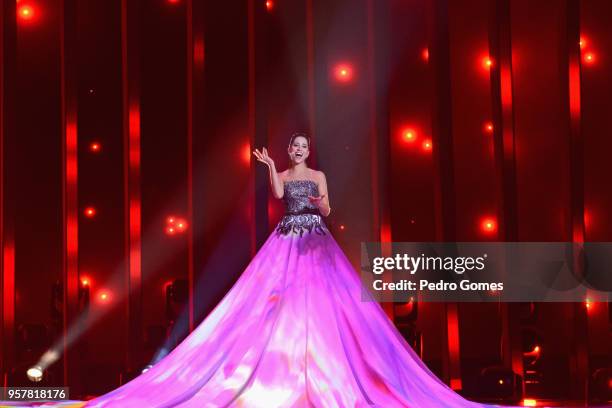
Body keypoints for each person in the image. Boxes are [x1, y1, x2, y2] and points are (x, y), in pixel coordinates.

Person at [52, 132, 492, 407]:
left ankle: (325, 373)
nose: (299, 151)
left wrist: (320, 203)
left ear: (309, 150)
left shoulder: (318, 175)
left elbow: (328, 205)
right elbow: (279, 192)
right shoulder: (282, 171)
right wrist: (267, 169)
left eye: (303, 146)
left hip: (315, 238)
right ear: (288, 151)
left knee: (324, 305)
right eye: (294, 147)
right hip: (286, 237)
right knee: (270, 303)